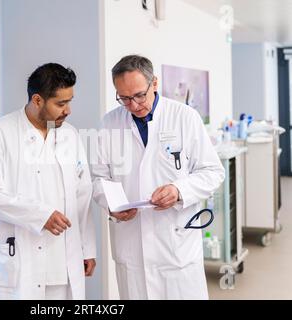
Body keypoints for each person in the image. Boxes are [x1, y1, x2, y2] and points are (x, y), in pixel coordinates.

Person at [92, 55, 225, 300]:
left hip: (175, 242)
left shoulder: (184, 117)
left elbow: (213, 172)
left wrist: (178, 190)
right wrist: (110, 203)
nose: (132, 105)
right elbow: (98, 177)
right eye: (124, 98)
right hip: (131, 244)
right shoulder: (109, 123)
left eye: (139, 95)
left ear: (154, 83)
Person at [0, 63, 96, 300]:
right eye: (60, 103)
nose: (68, 110)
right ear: (37, 100)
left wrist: (86, 248)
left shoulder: (70, 135)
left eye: (70, 101)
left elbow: (83, 194)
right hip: (19, 257)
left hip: (63, 259)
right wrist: (40, 215)